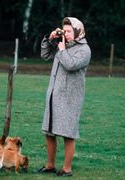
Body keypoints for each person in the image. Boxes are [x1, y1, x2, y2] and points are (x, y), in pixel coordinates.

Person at [37, 17, 91, 176]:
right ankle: (50, 165)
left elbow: (71, 65)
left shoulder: (84, 50)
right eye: (64, 31)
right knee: (49, 132)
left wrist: (62, 50)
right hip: (54, 94)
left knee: (68, 134)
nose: (66, 34)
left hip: (70, 98)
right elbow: (45, 55)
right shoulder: (62, 43)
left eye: (69, 31)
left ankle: (67, 169)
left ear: (77, 31)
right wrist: (49, 39)